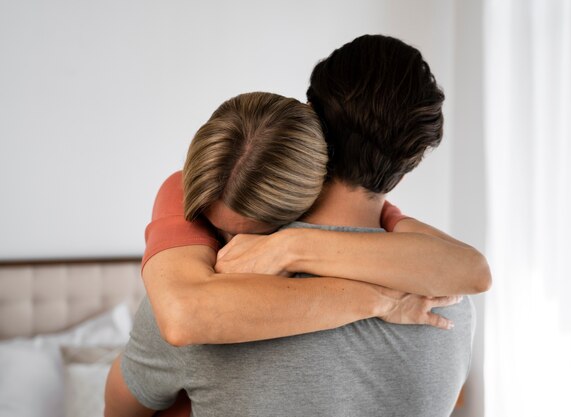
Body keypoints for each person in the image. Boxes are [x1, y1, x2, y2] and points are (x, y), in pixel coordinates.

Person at [105, 35, 491, 417]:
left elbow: (120, 407)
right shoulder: (451, 307)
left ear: (311, 123)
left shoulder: (213, 288)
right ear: (411, 163)